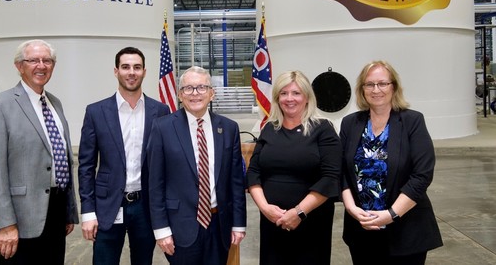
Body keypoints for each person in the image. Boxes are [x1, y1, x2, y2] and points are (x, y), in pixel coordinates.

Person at [0, 39, 78, 264]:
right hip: (21, 217)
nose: (41, 66)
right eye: (33, 60)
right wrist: (5, 224)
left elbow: (61, 157)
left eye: (47, 60)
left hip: (56, 210)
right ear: (19, 66)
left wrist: (68, 210)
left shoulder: (55, 103)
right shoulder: (0, 105)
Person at [340, 60, 443, 265]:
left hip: (405, 229)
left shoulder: (412, 121)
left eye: (382, 83)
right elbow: (340, 171)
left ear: (393, 87)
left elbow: (422, 174)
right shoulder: (350, 123)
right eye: (369, 84)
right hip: (361, 229)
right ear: (362, 89)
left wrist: (392, 214)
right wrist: (351, 208)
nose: (376, 90)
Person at [78, 47, 171, 265]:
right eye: (126, 67)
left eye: (137, 67)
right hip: (108, 206)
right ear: (116, 71)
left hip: (145, 207)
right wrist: (88, 212)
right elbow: (86, 167)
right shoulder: (96, 112)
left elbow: (166, 165)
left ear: (144, 72)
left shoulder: (161, 111)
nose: (131, 72)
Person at [147, 65, 246, 265]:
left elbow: (235, 182)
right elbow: (155, 184)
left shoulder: (228, 128)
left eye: (201, 87)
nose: (195, 94)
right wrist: (161, 229)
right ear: (180, 95)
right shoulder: (162, 127)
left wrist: (238, 224)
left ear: (212, 93)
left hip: (219, 225)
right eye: (188, 88)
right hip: (179, 228)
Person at [247, 70, 342, 265]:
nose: (289, 99)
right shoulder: (269, 129)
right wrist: (265, 209)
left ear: (307, 97)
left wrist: (298, 212)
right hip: (272, 221)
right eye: (284, 93)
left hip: (312, 223)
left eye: (296, 93)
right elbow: (254, 172)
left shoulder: (324, 129)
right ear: (277, 98)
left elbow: (330, 177)